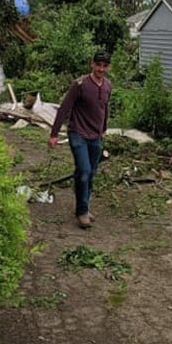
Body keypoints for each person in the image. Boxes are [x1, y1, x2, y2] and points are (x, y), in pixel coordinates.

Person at [48, 51, 112, 229]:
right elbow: (64, 108)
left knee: (90, 173)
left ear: (108, 67)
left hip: (96, 136)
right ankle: (82, 212)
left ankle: (83, 205)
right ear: (92, 64)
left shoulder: (107, 85)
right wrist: (54, 134)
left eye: (104, 66)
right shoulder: (80, 84)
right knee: (84, 170)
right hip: (78, 133)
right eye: (98, 65)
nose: (101, 69)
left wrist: (104, 128)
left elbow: (105, 108)